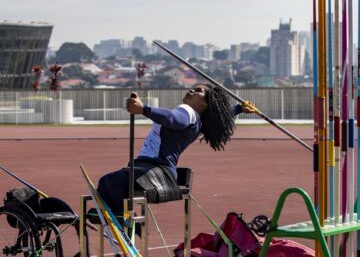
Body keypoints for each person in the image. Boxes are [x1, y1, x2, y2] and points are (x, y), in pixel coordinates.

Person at [97, 84, 255, 216]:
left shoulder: (188, 112)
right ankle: (120, 218)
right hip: (155, 171)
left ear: (205, 104)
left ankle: (121, 219)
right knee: (107, 185)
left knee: (109, 182)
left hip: (155, 170)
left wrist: (144, 109)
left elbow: (173, 118)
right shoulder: (200, 123)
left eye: (198, 91)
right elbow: (219, 114)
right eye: (193, 88)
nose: (191, 90)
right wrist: (239, 108)